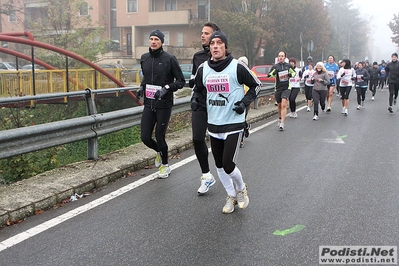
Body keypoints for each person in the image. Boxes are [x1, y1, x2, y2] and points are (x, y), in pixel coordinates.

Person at [193, 31, 261, 213]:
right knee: (219, 166)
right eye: (212, 43)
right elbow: (198, 89)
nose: (215, 46)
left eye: (219, 43)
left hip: (234, 123)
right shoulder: (203, 69)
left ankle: (241, 189)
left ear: (225, 47)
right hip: (214, 124)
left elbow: (257, 85)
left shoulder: (237, 67)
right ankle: (231, 195)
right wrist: (196, 100)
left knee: (229, 165)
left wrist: (244, 103)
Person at [137, 29, 185, 178]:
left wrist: (167, 88)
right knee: (145, 137)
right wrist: (141, 87)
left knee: (159, 135)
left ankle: (165, 165)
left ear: (162, 42)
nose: (153, 41)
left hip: (164, 104)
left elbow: (181, 81)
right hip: (149, 104)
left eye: (156, 39)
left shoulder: (169, 59)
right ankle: (159, 151)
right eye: (151, 39)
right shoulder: (144, 58)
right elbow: (145, 78)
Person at [189, 22, 220, 194]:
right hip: (201, 103)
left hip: (218, 104)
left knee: (218, 143)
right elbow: (195, 81)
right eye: (202, 33)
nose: (202, 35)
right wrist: (193, 93)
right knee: (197, 138)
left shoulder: (224, 58)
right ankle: (206, 175)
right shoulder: (197, 57)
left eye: (206, 33)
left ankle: (225, 170)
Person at [268, 51, 296, 130]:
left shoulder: (288, 66)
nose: (280, 57)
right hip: (278, 88)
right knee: (280, 105)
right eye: (279, 56)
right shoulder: (275, 66)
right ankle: (280, 117)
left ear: (285, 57)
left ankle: (282, 123)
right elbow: (269, 75)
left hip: (286, 88)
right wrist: (274, 73)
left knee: (284, 104)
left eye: (282, 56)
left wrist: (290, 75)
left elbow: (294, 73)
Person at [237, 56, 254, 148]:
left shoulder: (251, 73)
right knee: (240, 120)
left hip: (245, 101)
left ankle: (241, 140)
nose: (242, 64)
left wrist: (247, 97)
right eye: (240, 62)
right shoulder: (235, 72)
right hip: (236, 100)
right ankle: (246, 127)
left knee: (241, 119)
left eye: (244, 62)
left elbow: (255, 86)